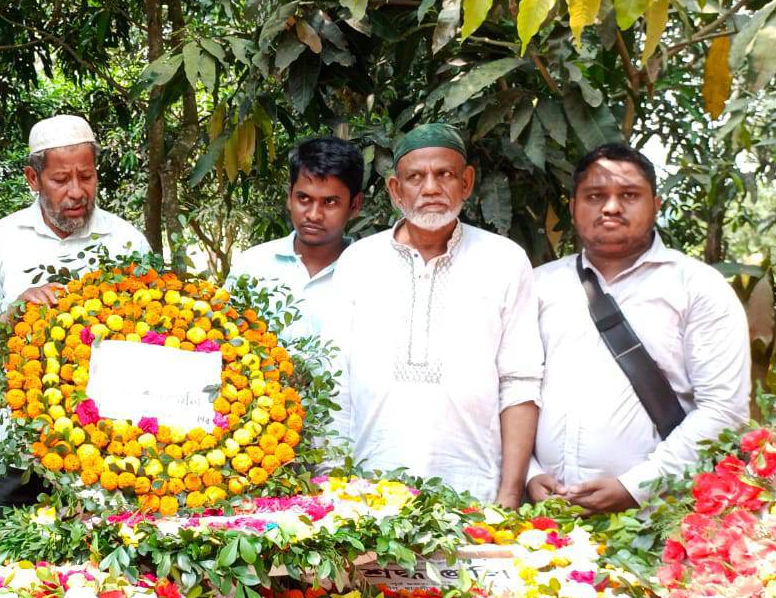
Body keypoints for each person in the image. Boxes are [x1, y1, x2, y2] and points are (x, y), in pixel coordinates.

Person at [527, 143, 749, 513]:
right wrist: (530, 473)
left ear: (656, 205)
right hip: (544, 519)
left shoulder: (696, 287)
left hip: (658, 519)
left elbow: (724, 410)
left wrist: (637, 487)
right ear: (573, 207)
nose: (611, 207)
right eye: (595, 196)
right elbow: (511, 388)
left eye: (629, 195)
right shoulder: (537, 287)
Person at [328, 122, 542, 506]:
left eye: (444, 174)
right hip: (367, 493)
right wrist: (332, 484)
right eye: (416, 177)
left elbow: (520, 382)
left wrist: (509, 495)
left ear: (467, 182)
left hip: (476, 494)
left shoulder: (505, 261)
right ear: (396, 190)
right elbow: (335, 381)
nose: (430, 188)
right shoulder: (358, 263)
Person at [0, 115, 149, 521]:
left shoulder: (126, 242)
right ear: (33, 178)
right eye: (61, 179)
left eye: (86, 176)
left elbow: (152, 342)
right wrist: (13, 314)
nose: (77, 191)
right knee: (5, 576)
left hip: (106, 454)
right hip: (16, 453)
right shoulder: (2, 239)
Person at [230, 135, 364, 344]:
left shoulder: (369, 275)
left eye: (329, 202)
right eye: (304, 198)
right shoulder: (252, 265)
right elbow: (224, 335)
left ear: (354, 205)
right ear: (289, 197)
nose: (313, 214)